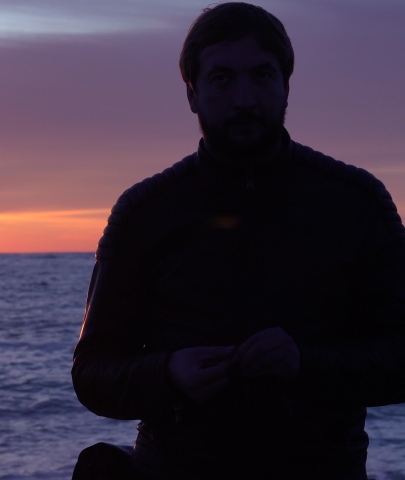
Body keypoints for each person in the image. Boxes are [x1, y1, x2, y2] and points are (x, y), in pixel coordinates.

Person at [71, 3, 405, 479]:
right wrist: (169, 373)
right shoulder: (145, 211)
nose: (245, 98)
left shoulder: (357, 202)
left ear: (287, 84)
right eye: (223, 78)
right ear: (192, 92)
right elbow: (92, 374)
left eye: (263, 75)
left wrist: (304, 364)